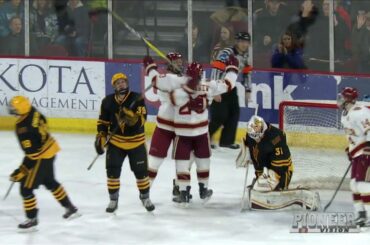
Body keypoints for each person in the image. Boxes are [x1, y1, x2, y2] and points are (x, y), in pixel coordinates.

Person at [148, 57, 239, 205]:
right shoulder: (206, 85)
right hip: (199, 132)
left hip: (183, 133)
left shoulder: (176, 89)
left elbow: (157, 81)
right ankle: (199, 188)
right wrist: (232, 69)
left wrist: (150, 68)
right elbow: (228, 84)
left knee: (184, 162)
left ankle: (183, 190)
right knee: (200, 161)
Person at [8, 96, 78, 230]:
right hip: (51, 149)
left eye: (14, 108)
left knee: (26, 188)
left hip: (41, 156)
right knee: (49, 181)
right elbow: (42, 123)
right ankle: (70, 207)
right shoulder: (33, 111)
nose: (12, 109)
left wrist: (21, 171)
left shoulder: (23, 128)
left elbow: (33, 155)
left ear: (21, 108)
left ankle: (32, 218)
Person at [95, 72, 155, 213]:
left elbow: (143, 119)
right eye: (118, 82)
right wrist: (101, 136)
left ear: (127, 83)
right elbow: (103, 122)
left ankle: (145, 197)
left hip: (136, 142)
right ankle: (113, 200)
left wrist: (133, 118)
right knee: (112, 171)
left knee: (141, 173)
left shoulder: (137, 98)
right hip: (116, 143)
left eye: (123, 81)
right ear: (114, 86)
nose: (121, 84)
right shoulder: (107, 101)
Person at [236, 115, 320, 210]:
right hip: (269, 165)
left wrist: (275, 184)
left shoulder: (277, 136)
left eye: (257, 136)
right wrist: (248, 153)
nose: (255, 139)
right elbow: (257, 158)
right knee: (260, 185)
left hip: (283, 169)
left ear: (263, 129)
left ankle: (293, 193)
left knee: (268, 184)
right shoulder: (251, 136)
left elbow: (282, 165)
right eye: (252, 136)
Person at [144, 52, 187, 195]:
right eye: (177, 61)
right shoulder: (167, 78)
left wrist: (150, 66)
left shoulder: (182, 78)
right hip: (165, 126)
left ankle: (179, 187)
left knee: (183, 162)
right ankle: (145, 189)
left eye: (181, 61)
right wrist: (150, 67)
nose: (180, 63)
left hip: (182, 128)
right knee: (155, 161)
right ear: (169, 64)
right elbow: (156, 78)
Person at [209, 31, 252, 149]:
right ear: (237, 42)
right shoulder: (227, 53)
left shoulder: (245, 56)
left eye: (246, 42)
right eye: (241, 41)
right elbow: (216, 69)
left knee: (234, 113)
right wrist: (215, 90)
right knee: (219, 116)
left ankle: (226, 141)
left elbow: (247, 73)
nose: (244, 44)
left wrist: (248, 90)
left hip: (231, 88)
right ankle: (205, 138)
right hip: (220, 86)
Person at [338, 87, 370, 227]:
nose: (340, 99)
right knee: (354, 185)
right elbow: (353, 135)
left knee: (363, 185)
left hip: (365, 152)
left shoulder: (360, 112)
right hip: (357, 153)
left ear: (348, 99)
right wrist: (350, 149)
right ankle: (360, 214)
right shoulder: (345, 114)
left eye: (343, 97)